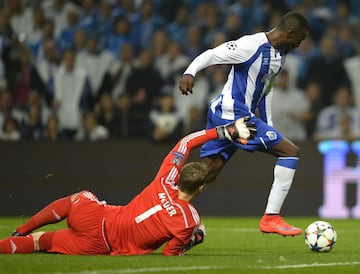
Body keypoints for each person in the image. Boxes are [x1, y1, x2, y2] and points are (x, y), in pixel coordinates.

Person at [0, 117, 256, 255]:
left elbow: (186, 142)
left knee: (78, 198)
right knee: (40, 243)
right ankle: (25, 237)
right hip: (102, 246)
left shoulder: (165, 179)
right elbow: (170, 254)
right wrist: (192, 240)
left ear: (179, 176)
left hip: (97, 217)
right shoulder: (189, 218)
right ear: (200, 188)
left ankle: (21, 229)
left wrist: (225, 131)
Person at [179, 11, 309, 236]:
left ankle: (166, 203)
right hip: (232, 114)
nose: (299, 44)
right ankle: (271, 218)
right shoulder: (251, 45)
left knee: (208, 172)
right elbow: (212, 54)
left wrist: (268, 125)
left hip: (238, 116)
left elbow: (265, 93)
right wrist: (190, 72)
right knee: (290, 152)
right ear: (289, 33)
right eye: (300, 39)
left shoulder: (279, 57)